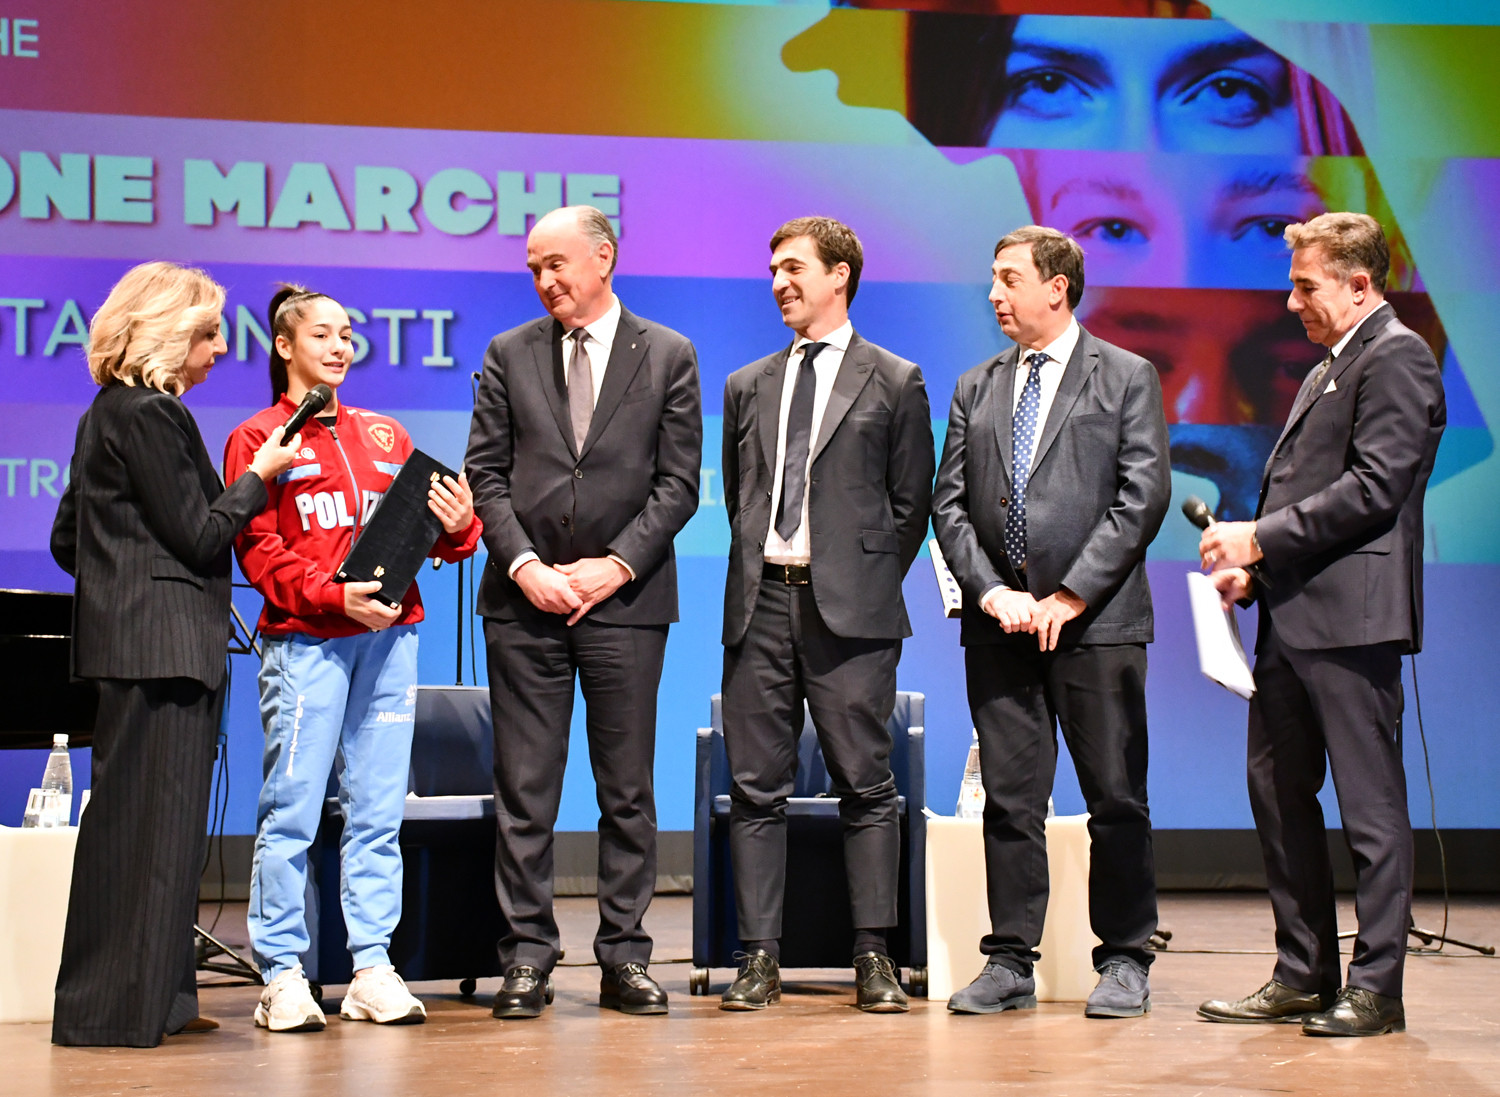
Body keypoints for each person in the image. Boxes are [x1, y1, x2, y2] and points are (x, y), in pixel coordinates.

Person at [1197, 212, 1445, 1037]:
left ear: (1358, 284)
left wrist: (1259, 537)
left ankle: (1376, 987)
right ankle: (1303, 972)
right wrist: (1255, 570)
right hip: (1293, 620)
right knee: (1278, 796)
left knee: (1371, 810)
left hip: (1353, 625)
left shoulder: (1397, 356)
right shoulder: (1331, 366)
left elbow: (1374, 487)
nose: (1291, 300)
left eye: (1306, 285)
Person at [49, 261, 299, 1047]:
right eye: (209, 333)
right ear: (167, 332)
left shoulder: (105, 412)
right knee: (152, 838)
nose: (222, 348)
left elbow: (67, 539)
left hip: (136, 645)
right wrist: (258, 478)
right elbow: (199, 534)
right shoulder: (154, 415)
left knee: (147, 833)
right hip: (163, 650)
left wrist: (124, 575)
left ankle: (156, 999)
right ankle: (119, 1011)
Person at [465, 205, 702, 1019]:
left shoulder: (668, 353)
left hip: (625, 601)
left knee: (626, 788)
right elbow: (485, 474)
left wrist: (615, 564)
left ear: (603, 257)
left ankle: (624, 956)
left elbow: (679, 484)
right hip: (524, 603)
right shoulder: (509, 352)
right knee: (525, 790)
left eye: (555, 263)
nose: (544, 280)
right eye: (533, 267)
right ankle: (526, 957)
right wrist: (526, 565)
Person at [224, 286, 481, 1032]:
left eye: (347, 334)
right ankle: (281, 973)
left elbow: (439, 537)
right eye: (323, 334)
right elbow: (259, 551)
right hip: (307, 641)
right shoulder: (258, 438)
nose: (340, 346)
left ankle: (371, 965)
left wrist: (462, 525)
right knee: (292, 813)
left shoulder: (384, 433)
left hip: (390, 641)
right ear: (284, 345)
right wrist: (334, 598)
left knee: (377, 811)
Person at [932, 225, 1170, 1019]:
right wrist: (990, 592)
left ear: (1057, 287)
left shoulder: (1125, 375)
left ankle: (1126, 956)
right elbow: (949, 506)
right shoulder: (976, 385)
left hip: (1096, 625)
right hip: (1001, 628)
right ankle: (1009, 959)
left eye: (1009, 278)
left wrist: (1069, 594)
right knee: (1009, 800)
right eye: (993, 278)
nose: (994, 293)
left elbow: (1142, 497)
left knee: (1116, 798)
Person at [718, 216, 934, 1014]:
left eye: (793, 267)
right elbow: (741, 497)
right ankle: (758, 957)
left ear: (839, 275)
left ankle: (874, 955)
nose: (778, 282)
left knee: (866, 784)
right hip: (760, 602)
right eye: (773, 269)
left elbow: (910, 505)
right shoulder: (747, 383)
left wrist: (860, 580)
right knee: (755, 788)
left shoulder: (895, 378)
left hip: (852, 611)